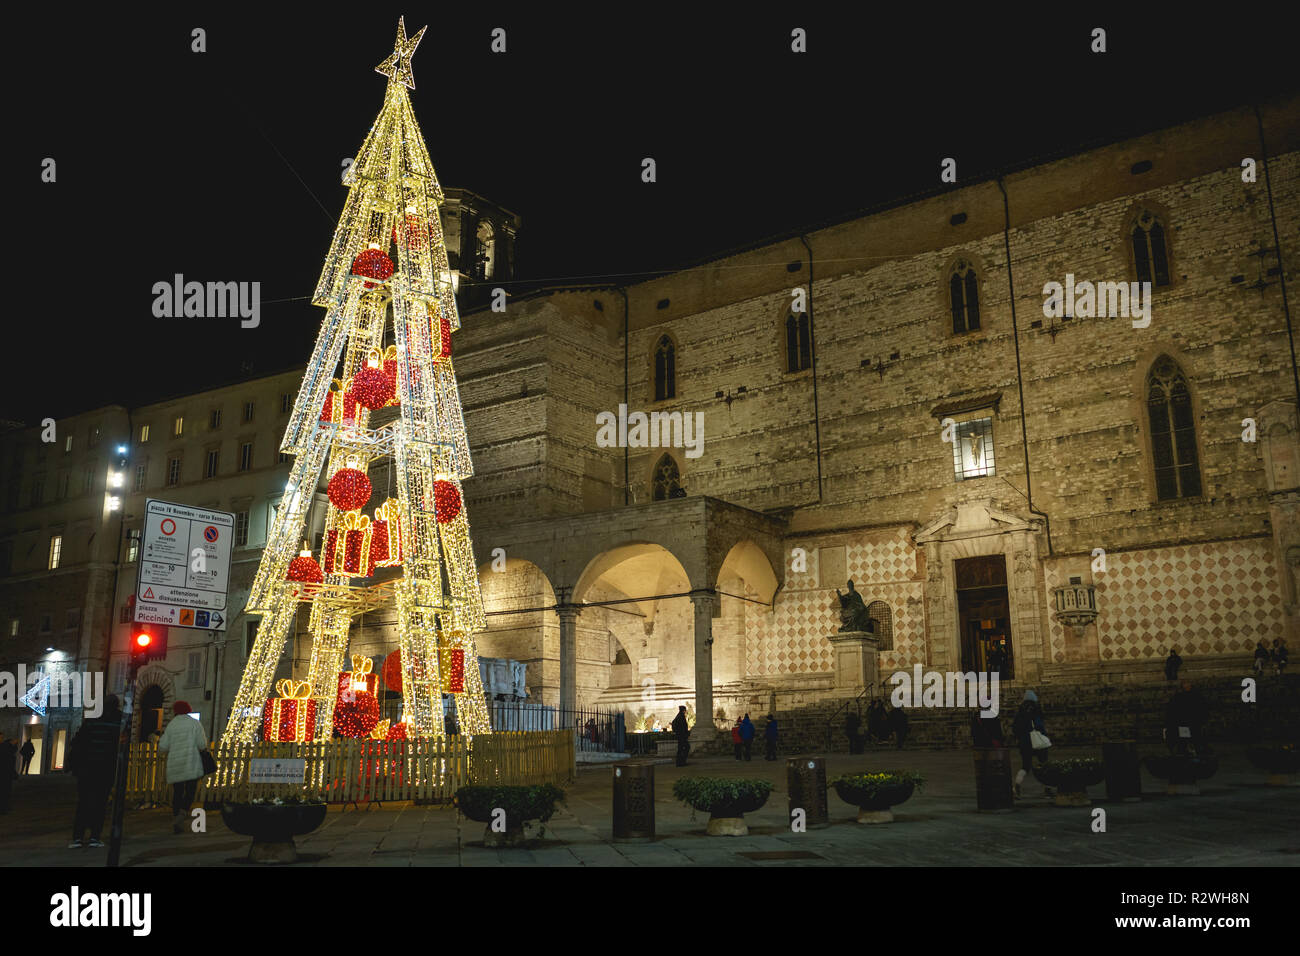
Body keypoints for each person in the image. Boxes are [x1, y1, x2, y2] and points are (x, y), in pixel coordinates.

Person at [68, 695, 123, 847]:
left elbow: (78, 741)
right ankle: (94, 837)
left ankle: (77, 837)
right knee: (100, 803)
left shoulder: (92, 719)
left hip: (87, 768)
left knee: (83, 802)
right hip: (105, 768)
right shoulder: (117, 720)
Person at [158, 701, 209, 834]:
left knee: (178, 792)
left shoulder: (171, 725)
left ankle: (176, 817)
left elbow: (163, 746)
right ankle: (182, 813)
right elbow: (202, 744)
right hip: (191, 763)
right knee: (191, 791)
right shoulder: (194, 724)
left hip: (176, 764)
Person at [1011, 689, 1050, 798]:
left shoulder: (1020, 712)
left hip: (1025, 742)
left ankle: (1017, 786)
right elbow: (1040, 725)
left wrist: (1021, 738)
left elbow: (1015, 728)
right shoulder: (1037, 710)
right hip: (1038, 740)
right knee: (1043, 764)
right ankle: (1047, 788)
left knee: (1025, 766)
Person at [1166, 679, 1210, 756]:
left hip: (1193, 723)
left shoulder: (1195, 696)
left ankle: (1194, 754)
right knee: (1185, 741)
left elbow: (1203, 709)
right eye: (1185, 685)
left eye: (1187, 684)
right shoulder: (1180, 697)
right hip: (1185, 723)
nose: (1186, 686)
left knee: (1194, 740)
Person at [0, 737, 16, 814]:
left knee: (5, 791)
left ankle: (4, 807)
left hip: (6, 774)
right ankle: (4, 808)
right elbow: (9, 764)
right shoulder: (7, 750)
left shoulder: (5, 749)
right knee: (5, 791)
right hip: (6, 774)